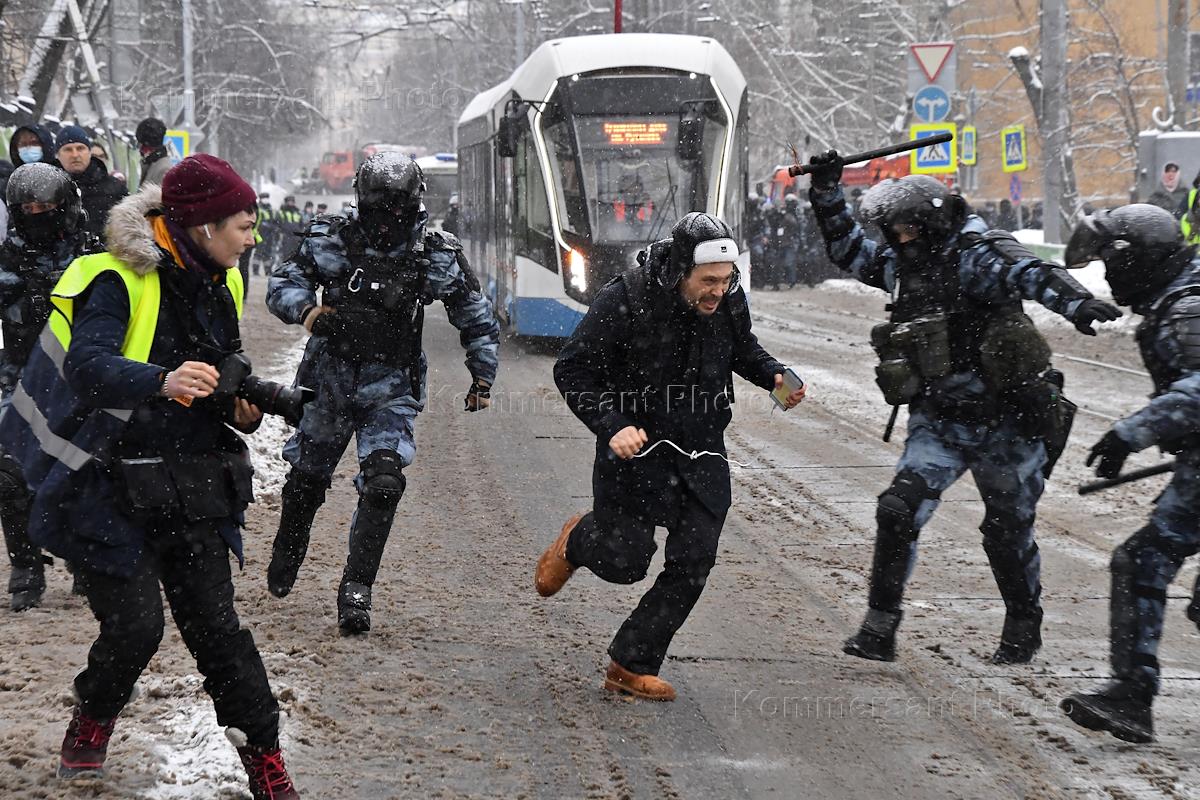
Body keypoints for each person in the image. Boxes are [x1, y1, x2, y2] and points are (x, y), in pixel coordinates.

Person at [0, 154, 300, 796]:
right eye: (244, 225)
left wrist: (238, 406)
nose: (252, 238)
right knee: (136, 628)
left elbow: (217, 367)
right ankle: (93, 717)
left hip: (190, 480)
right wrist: (163, 380)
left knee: (219, 635)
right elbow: (89, 367)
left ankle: (266, 761)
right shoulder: (114, 277)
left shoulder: (222, 278)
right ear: (203, 225)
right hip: (105, 482)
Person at [806, 154, 1123, 665]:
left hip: (1008, 423)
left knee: (1006, 530)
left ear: (931, 223)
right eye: (892, 232)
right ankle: (879, 628)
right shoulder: (902, 264)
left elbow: (1031, 272)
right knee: (898, 509)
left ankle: (1023, 625)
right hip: (940, 421)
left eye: (905, 229)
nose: (897, 240)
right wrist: (826, 193)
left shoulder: (978, 255)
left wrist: (1076, 303)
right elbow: (848, 250)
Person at [538, 213, 806, 701]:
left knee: (694, 560)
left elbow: (742, 349)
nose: (718, 291)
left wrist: (774, 375)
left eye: (726, 280)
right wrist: (612, 425)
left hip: (702, 449)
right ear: (681, 270)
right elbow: (572, 370)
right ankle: (577, 541)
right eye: (708, 281)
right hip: (636, 449)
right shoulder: (625, 299)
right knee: (625, 562)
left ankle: (631, 663)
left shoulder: (728, 300)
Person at [265, 153, 499, 634]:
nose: (387, 218)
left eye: (397, 207)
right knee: (307, 480)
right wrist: (309, 313)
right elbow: (283, 283)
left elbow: (474, 314)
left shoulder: (434, 253)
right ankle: (288, 548)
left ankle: (357, 587)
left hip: (390, 387)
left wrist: (483, 375)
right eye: (379, 207)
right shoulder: (331, 238)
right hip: (328, 381)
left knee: (384, 483)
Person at [1060, 205, 1200, 744]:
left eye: (1111, 264)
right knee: (1146, 563)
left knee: (1143, 560)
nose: (1110, 277)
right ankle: (1131, 694)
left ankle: (1131, 694)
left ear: (1137, 260)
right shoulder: (1177, 297)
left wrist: (1131, 433)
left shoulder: (1188, 308)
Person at [0, 164, 101, 611]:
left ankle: (84, 557)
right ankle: (25, 564)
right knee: (10, 471)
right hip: (22, 373)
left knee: (84, 466)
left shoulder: (92, 254)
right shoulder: (9, 257)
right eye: (27, 208)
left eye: (45, 206)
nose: (36, 214)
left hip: (81, 376)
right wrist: (27, 301)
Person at [55, 125, 127, 243]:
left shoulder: (115, 188)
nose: (75, 155)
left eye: (80, 148)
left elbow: (129, 229)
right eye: (68, 149)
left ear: (89, 152)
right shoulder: (49, 189)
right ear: (58, 155)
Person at [135, 117, 171, 188]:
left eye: (141, 144)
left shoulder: (163, 170)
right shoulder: (151, 163)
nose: (139, 149)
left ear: (148, 144)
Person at [252, 193, 278, 276]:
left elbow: (274, 220)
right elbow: (257, 221)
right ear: (261, 198)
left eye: (267, 197)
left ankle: (268, 270)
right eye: (264, 198)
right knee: (258, 252)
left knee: (268, 253)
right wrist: (265, 225)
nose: (266, 199)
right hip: (260, 233)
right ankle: (255, 270)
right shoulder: (258, 208)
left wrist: (274, 227)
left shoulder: (270, 208)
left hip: (269, 234)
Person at [275, 195, 304, 262]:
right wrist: (280, 232)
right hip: (286, 236)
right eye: (289, 201)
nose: (291, 203)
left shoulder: (297, 212)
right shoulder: (281, 212)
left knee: (295, 254)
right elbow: (276, 223)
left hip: (296, 237)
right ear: (286, 202)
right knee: (285, 254)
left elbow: (301, 224)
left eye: (292, 202)